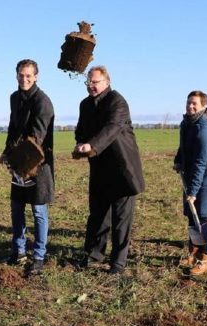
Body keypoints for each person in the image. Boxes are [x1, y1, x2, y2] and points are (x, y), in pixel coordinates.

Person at [74, 65, 145, 274]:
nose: (91, 86)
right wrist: (79, 143)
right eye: (88, 82)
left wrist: (92, 145)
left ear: (106, 82)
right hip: (99, 168)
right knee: (97, 214)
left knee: (122, 218)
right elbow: (81, 129)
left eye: (95, 82)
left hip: (122, 168)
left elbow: (112, 128)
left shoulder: (117, 101)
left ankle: (118, 263)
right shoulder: (85, 105)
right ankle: (94, 254)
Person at [0, 59, 55, 274]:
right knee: (17, 207)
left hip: (37, 162)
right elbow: (13, 128)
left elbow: (37, 137)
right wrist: (7, 152)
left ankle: (39, 256)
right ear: (16, 75)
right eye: (21, 75)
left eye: (29, 75)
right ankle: (18, 251)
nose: (25, 79)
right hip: (18, 162)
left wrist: (22, 161)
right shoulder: (14, 98)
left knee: (39, 210)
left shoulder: (42, 101)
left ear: (36, 76)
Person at [173, 90, 207, 276]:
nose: (190, 106)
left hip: (206, 179)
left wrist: (192, 192)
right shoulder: (187, 123)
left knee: (202, 219)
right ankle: (192, 253)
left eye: (194, 103)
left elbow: (201, 162)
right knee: (191, 216)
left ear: (203, 105)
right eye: (188, 103)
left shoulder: (204, 129)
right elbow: (183, 145)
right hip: (191, 175)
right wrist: (178, 160)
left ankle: (205, 259)